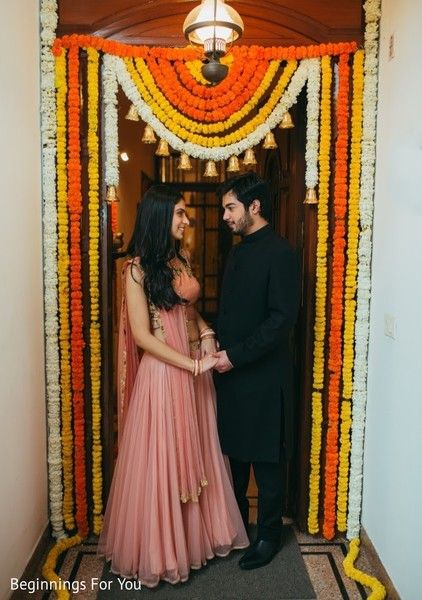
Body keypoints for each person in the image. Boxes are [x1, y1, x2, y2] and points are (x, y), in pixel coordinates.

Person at [97, 185, 248, 587]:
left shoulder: (181, 258)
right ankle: (163, 550)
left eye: (185, 213)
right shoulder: (135, 270)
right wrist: (193, 365)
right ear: (160, 216)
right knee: (164, 457)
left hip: (193, 371)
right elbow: (145, 338)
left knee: (196, 453)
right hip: (164, 375)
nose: (186, 220)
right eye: (180, 213)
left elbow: (188, 311)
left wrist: (207, 332)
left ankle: (196, 541)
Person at [213, 172, 301, 570]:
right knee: (235, 454)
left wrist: (236, 355)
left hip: (263, 377)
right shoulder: (238, 250)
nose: (225, 216)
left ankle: (268, 535)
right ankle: (238, 526)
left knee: (266, 459)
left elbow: (280, 320)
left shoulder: (280, 253)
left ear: (254, 206)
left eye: (231, 208)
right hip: (233, 372)